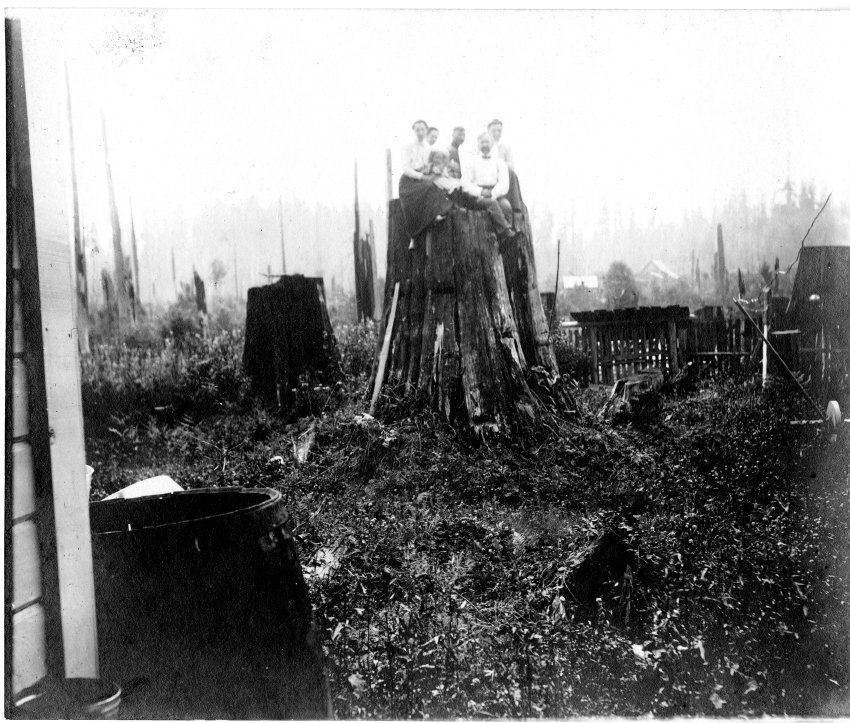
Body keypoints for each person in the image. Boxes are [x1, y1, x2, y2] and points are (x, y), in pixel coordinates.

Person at [399, 120, 453, 238]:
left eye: (422, 129)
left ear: (426, 131)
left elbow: (432, 164)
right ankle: (415, 232)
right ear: (414, 131)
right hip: (409, 181)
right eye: (417, 129)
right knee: (428, 188)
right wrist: (422, 176)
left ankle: (436, 215)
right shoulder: (407, 147)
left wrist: (437, 171)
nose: (420, 132)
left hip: (424, 177)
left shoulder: (428, 148)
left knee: (441, 187)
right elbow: (406, 168)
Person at [460, 133, 516, 239]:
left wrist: (493, 193)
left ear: (492, 144)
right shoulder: (472, 162)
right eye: (482, 142)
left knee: (506, 206)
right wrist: (480, 192)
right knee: (491, 203)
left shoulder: (500, 162)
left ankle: (506, 240)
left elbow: (504, 183)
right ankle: (505, 231)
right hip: (476, 196)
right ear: (478, 144)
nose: (485, 145)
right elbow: (465, 183)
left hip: (494, 193)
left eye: (487, 142)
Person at [487, 118, 523, 211]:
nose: (496, 133)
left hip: (502, 176)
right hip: (487, 175)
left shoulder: (505, 147)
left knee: (511, 173)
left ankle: (516, 206)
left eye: (499, 131)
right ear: (488, 131)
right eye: (494, 131)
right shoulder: (484, 145)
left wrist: (500, 164)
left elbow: (511, 165)